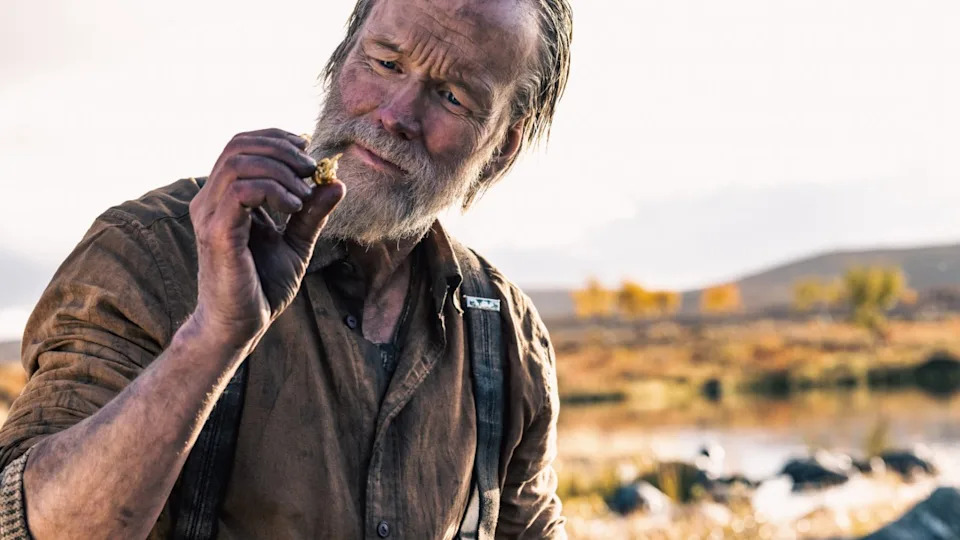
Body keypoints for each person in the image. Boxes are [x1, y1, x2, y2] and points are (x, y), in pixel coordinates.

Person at [0, 0, 573, 538]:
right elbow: (34, 526)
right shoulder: (150, 253)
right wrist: (213, 337)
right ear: (340, 59)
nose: (397, 113)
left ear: (500, 149)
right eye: (385, 62)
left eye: (451, 96)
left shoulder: (501, 331)